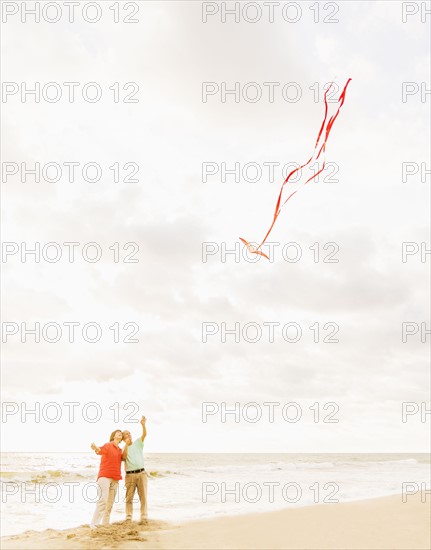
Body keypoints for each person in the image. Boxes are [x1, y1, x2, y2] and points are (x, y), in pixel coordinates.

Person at [90, 429, 123, 528]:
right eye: (118, 433)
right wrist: (96, 448)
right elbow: (101, 450)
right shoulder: (108, 445)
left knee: (110, 503)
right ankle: (94, 523)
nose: (120, 434)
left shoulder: (120, 450)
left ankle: (105, 523)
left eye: (121, 434)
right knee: (103, 500)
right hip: (104, 477)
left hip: (115, 478)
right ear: (113, 436)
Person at [122, 416, 147, 523]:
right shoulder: (123, 448)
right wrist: (127, 445)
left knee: (143, 497)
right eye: (126, 434)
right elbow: (123, 458)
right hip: (130, 475)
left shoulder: (138, 442)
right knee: (129, 498)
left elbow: (144, 435)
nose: (129, 435)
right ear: (123, 438)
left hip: (141, 473)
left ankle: (144, 516)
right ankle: (128, 516)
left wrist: (143, 425)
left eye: (129, 433)